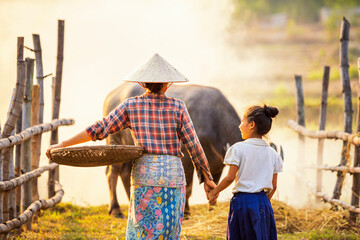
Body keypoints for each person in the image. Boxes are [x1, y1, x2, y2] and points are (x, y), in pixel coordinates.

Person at [46, 53, 216, 239]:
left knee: (144, 230)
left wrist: (63, 144)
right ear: (168, 84)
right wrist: (206, 177)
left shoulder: (131, 105)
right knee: (168, 230)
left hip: (145, 176)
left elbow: (99, 129)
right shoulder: (178, 107)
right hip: (172, 178)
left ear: (142, 84)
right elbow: (194, 145)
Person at [207, 105, 283, 240]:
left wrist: (214, 192)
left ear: (252, 124)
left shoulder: (238, 149)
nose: (239, 125)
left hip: (242, 203)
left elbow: (230, 178)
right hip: (263, 203)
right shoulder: (273, 154)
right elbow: (274, 185)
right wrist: (262, 202)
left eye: (242, 121)